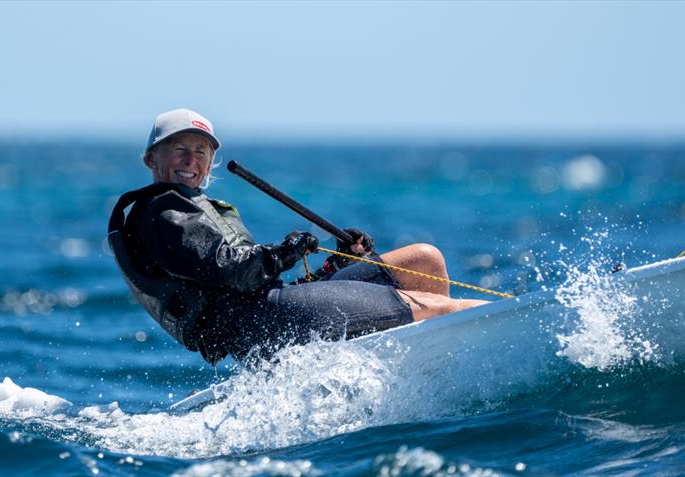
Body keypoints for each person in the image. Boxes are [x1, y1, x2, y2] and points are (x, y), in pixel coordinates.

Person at [108, 108, 487, 365]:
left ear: (209, 164)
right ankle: (489, 338)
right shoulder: (162, 211)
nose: (191, 160)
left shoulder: (195, 206)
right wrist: (286, 251)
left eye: (200, 151)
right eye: (179, 149)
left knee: (424, 260)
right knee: (429, 305)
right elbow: (230, 272)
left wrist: (337, 263)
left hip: (270, 309)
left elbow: (256, 284)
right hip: (258, 326)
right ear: (150, 160)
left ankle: (435, 362)